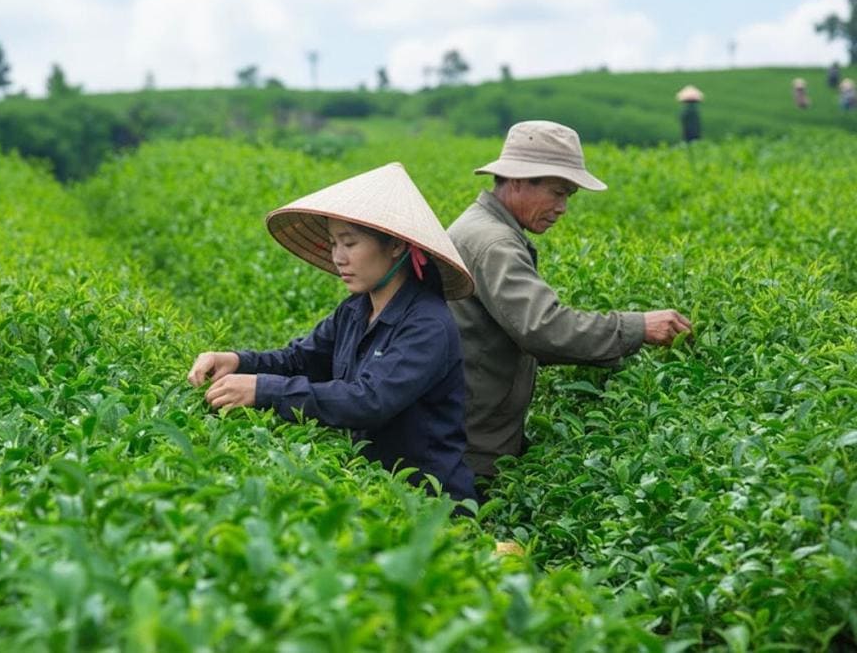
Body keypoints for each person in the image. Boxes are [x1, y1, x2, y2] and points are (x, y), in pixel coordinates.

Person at [188, 162, 478, 503]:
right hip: (373, 490)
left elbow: (369, 400)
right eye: (333, 243)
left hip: (428, 501)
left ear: (396, 246)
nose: (338, 257)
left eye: (350, 243)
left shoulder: (427, 324)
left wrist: (264, 390)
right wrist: (237, 361)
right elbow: (299, 360)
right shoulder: (356, 309)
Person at [446, 120, 693, 484]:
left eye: (568, 196)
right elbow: (543, 329)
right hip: (472, 442)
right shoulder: (495, 243)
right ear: (517, 180)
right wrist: (639, 327)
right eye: (557, 192)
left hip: (468, 428)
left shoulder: (479, 226)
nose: (562, 208)